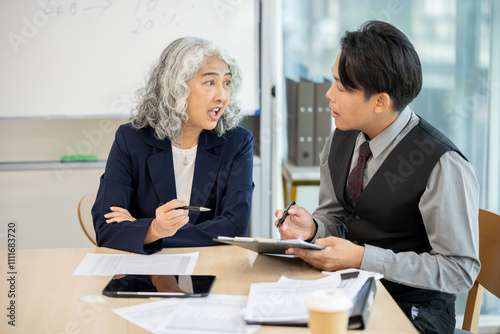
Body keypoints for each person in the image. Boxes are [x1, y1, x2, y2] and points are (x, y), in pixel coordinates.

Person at [275, 21, 480, 334]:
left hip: (414, 314)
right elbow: (338, 217)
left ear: (380, 101)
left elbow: (460, 270)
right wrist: (315, 229)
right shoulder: (340, 139)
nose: (328, 94)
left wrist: (362, 258)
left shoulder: (442, 164)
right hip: (349, 293)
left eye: (341, 87)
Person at [92, 37, 254, 255]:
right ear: (177, 87)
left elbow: (234, 229)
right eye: (210, 83)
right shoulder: (130, 139)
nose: (222, 96)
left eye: (227, 83)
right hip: (147, 275)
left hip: (212, 268)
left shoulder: (237, 143)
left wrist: (150, 231)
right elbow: (106, 229)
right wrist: (154, 227)